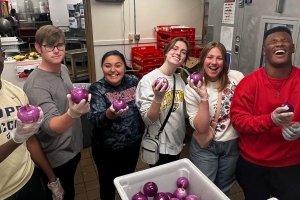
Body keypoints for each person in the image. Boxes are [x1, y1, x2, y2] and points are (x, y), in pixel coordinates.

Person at [230, 26, 300, 200]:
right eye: (273, 42)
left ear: (293, 48)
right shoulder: (248, 83)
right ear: (264, 51)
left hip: (291, 165)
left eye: (284, 40)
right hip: (253, 164)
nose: (279, 44)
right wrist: (270, 120)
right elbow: (238, 120)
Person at [23, 25, 90, 200]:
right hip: (57, 158)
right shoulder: (36, 85)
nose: (56, 51)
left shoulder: (63, 69)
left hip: (73, 149)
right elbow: (51, 126)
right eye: (49, 46)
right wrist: (73, 114)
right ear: (38, 48)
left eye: (60, 45)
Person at [0, 49, 63, 199]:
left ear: (2, 55)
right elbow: (22, 138)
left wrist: (52, 179)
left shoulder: (16, 92)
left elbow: (31, 140)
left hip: (28, 179)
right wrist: (17, 139)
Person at [184, 41, 244, 194]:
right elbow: (201, 128)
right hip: (205, 147)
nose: (214, 62)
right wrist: (203, 96)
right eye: (210, 57)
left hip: (232, 146)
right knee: (203, 190)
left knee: (223, 190)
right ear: (203, 59)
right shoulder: (192, 87)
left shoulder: (237, 78)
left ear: (225, 62)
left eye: (219, 58)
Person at [87, 50, 145, 200]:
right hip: (107, 150)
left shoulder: (133, 81)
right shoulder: (97, 88)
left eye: (118, 65)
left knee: (127, 180)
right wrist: (110, 114)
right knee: (107, 185)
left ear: (124, 67)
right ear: (102, 68)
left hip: (132, 145)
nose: (113, 70)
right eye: (108, 66)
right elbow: (95, 120)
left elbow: (143, 105)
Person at [135, 37, 190, 167]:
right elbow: (149, 120)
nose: (178, 53)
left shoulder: (180, 80)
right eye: (175, 48)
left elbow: (185, 114)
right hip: (159, 146)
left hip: (176, 143)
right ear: (166, 52)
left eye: (183, 52)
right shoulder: (148, 80)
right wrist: (158, 98)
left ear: (184, 59)